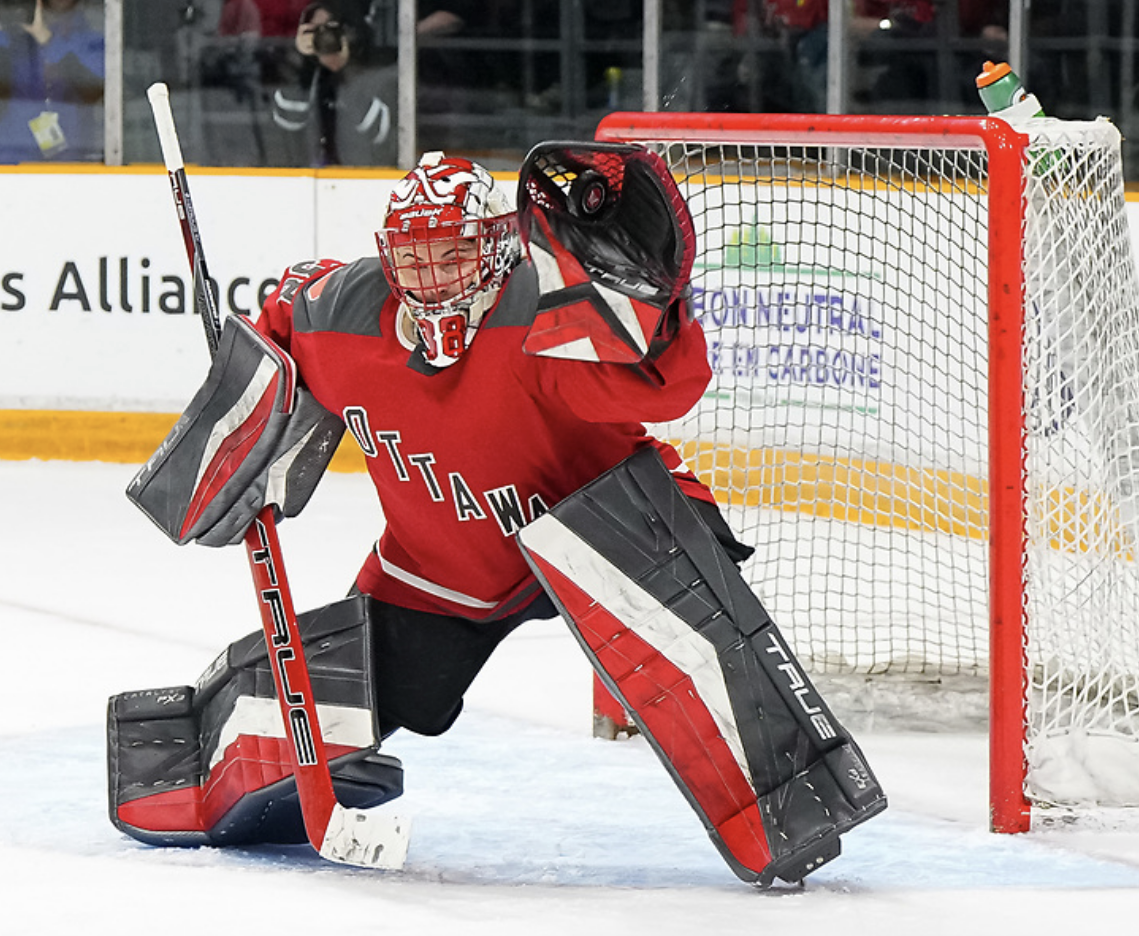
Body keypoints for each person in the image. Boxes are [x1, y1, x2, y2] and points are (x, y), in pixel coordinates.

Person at [108, 144, 885, 884]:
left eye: (451, 254)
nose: (430, 276)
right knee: (390, 688)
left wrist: (653, 301)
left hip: (606, 525)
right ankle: (196, 775)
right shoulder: (343, 313)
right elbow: (280, 325)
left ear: (497, 248)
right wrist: (241, 397)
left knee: (696, 629)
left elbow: (669, 387)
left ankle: (788, 798)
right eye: (412, 256)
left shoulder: (543, 314)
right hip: (444, 565)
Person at [0, 0, 103, 162]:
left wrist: (47, 40)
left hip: (68, 166)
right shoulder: (4, 41)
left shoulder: (89, 38)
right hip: (11, 165)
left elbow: (96, 93)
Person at [270, 0, 394, 166]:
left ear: (347, 33)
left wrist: (342, 73)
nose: (324, 38)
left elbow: (378, 132)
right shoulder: (298, 75)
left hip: (358, 175)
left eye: (330, 29)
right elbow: (288, 121)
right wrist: (305, 65)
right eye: (315, 31)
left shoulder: (370, 72)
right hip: (305, 175)